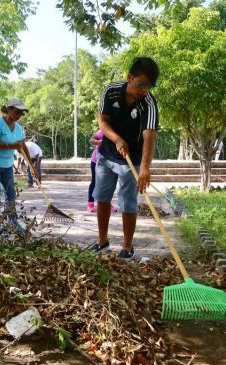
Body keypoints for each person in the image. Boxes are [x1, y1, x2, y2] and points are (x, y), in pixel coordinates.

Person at [91, 56, 160, 260]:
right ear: (130, 77)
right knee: (102, 198)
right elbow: (103, 121)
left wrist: (145, 167)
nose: (145, 90)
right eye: (141, 84)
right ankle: (102, 241)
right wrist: (117, 139)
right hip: (106, 155)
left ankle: (127, 247)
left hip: (133, 160)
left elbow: (149, 135)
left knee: (128, 202)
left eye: (149, 86)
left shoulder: (149, 103)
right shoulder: (111, 91)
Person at [0, 98, 34, 231]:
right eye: (17, 112)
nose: (19, 115)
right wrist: (11, 146)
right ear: (9, 109)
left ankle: (13, 222)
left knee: (11, 194)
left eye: (22, 113)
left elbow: (23, 147)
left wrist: (32, 167)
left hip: (7, 166)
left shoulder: (18, 128)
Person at [87, 130, 117, 213]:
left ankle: (107, 203)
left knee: (108, 184)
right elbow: (91, 140)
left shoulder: (117, 132)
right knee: (94, 181)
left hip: (110, 161)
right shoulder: (103, 131)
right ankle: (90, 203)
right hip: (96, 160)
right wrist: (100, 142)